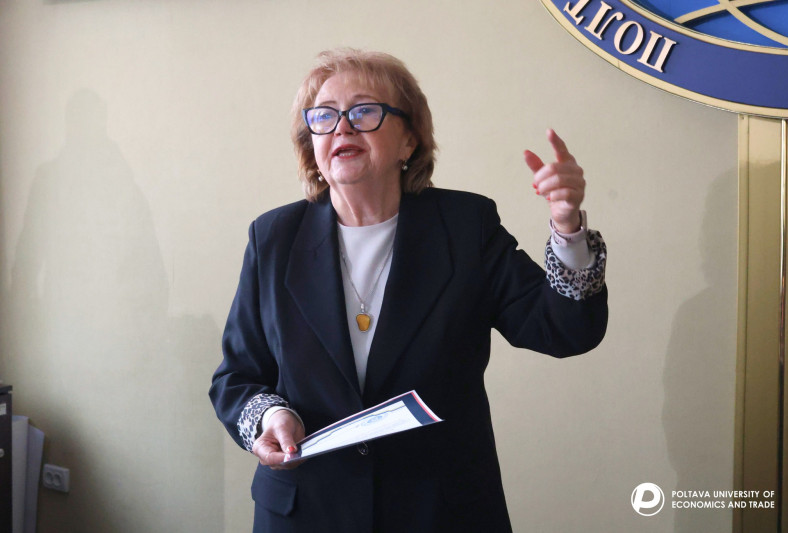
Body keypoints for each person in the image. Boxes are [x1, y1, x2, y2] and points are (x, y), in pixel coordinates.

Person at [209, 48, 608, 533]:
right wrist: (268, 417)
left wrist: (567, 229)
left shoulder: (466, 226)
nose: (342, 128)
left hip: (441, 511)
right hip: (307, 512)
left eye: (363, 111)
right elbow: (237, 377)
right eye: (324, 116)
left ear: (409, 140)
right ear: (310, 144)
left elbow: (563, 330)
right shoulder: (273, 238)